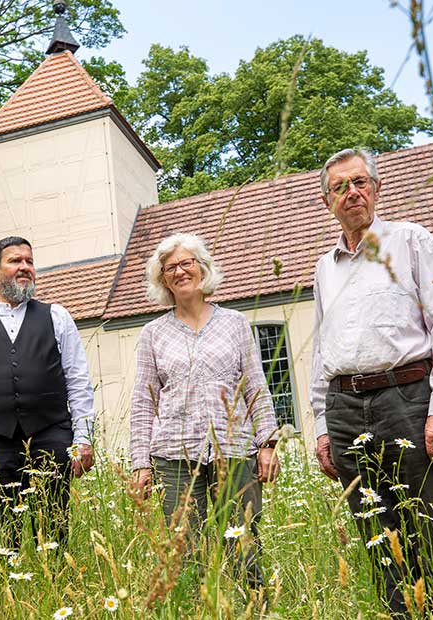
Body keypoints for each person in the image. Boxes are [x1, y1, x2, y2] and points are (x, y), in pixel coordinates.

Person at [309, 148, 433, 617]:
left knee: (432, 525)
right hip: (344, 410)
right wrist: (321, 424)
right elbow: (322, 349)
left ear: (376, 189)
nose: (351, 193)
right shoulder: (324, 268)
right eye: (340, 187)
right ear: (327, 202)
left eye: (360, 182)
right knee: (379, 537)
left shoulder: (412, 241)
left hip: (408, 398)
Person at [127, 233, 280, 591]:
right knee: (186, 556)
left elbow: (256, 386)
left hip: (235, 451)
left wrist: (268, 443)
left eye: (186, 263)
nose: (180, 272)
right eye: (170, 268)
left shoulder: (236, 323)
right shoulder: (153, 333)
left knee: (243, 550)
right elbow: (143, 401)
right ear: (162, 279)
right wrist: (140, 462)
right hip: (173, 457)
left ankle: (253, 614)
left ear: (202, 268)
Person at [0, 236, 95, 550]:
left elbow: (78, 380)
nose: (24, 267)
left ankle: (57, 589)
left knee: (55, 531)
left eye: (29, 261)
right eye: (15, 261)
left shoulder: (57, 317)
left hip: (52, 435)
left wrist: (84, 437)